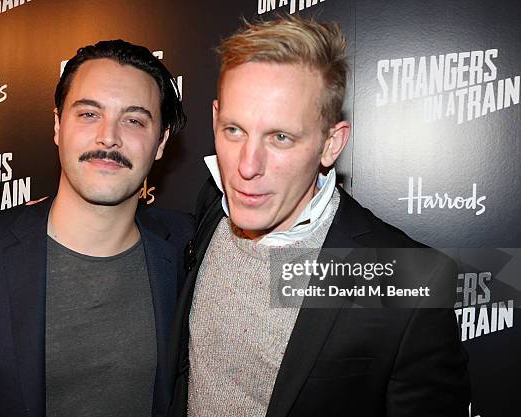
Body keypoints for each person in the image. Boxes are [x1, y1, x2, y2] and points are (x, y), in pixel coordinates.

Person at [168, 15, 470, 417]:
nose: (246, 166)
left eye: (280, 137)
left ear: (331, 144)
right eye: (234, 130)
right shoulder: (211, 206)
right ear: (215, 118)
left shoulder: (401, 276)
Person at [0, 39, 193, 417]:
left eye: (134, 120)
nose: (108, 136)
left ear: (160, 143)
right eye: (89, 114)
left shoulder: (189, 247)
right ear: (58, 126)